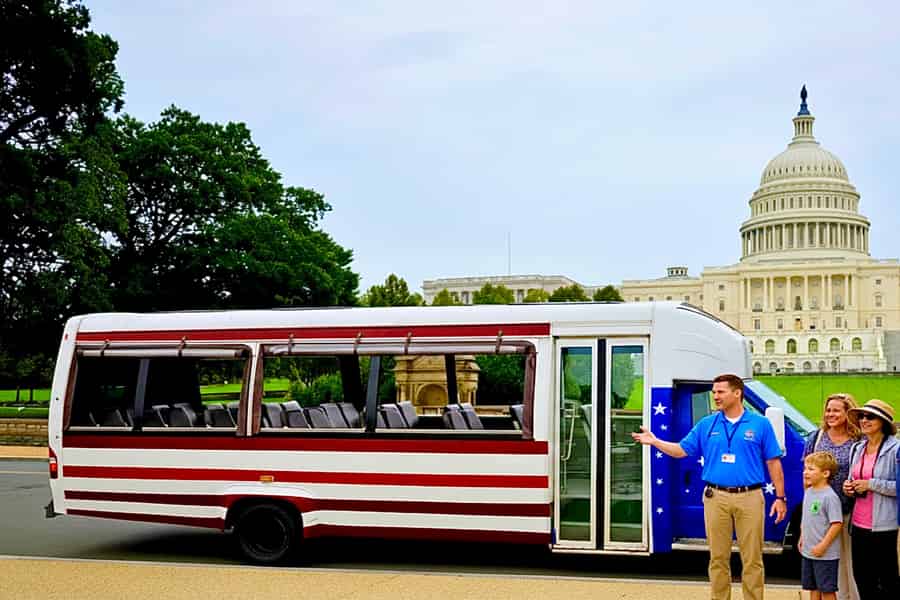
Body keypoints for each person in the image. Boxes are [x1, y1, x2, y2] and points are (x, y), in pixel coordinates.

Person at [631, 374, 786, 600]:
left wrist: (780, 498)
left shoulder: (760, 424)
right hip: (716, 497)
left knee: (752, 559)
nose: (715, 396)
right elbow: (681, 450)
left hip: (750, 497)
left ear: (737, 393)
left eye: (720, 392)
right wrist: (655, 441)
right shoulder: (707, 424)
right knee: (718, 558)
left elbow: (773, 461)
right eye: (714, 392)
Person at [802, 393, 861, 600]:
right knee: (824, 564)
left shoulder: (858, 440)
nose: (831, 414)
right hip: (819, 512)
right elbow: (807, 471)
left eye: (836, 410)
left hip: (849, 510)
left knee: (849, 563)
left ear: (847, 413)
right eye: (828, 410)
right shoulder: (816, 438)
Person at [842, 399, 899, 599]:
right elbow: (853, 478)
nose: (864, 420)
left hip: (885, 527)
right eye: (861, 416)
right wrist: (849, 487)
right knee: (863, 580)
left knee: (887, 582)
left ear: (882, 422)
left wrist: (871, 484)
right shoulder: (857, 448)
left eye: (870, 417)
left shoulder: (896, 450)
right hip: (858, 525)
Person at [799, 451, 844, 600]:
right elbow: (806, 518)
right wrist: (802, 537)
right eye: (805, 468)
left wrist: (823, 546)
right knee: (813, 588)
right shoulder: (809, 492)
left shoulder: (830, 497)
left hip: (825, 556)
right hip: (809, 551)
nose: (806, 472)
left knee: (827, 590)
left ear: (825, 473)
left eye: (811, 469)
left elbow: (837, 524)